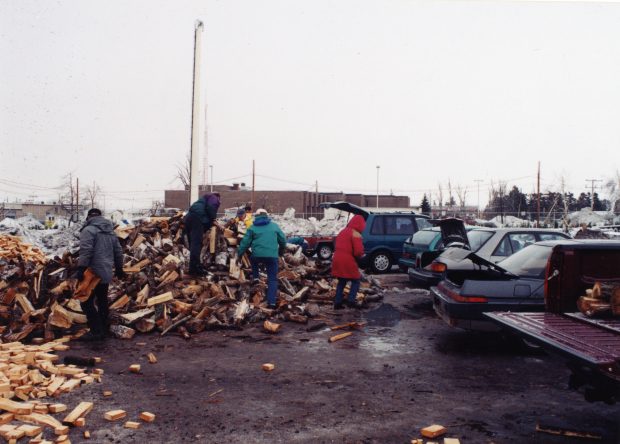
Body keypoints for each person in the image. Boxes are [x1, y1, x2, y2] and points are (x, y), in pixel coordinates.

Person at [75, 208, 125, 341]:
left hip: (92, 272)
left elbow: (86, 251)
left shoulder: (88, 230)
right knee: (102, 300)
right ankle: (103, 328)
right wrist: (119, 268)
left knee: (85, 300)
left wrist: (81, 268)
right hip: (106, 271)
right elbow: (118, 251)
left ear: (89, 217)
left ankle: (96, 331)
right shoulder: (110, 232)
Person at [236, 209, 287, 309]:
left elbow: (245, 243)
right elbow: (283, 240)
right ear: (266, 216)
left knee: (253, 260)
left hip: (257, 255)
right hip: (272, 257)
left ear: (256, 216)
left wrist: (239, 254)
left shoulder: (252, 227)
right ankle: (271, 302)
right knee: (272, 279)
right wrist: (280, 253)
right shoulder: (274, 226)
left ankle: (256, 278)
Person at [331, 214, 366, 309]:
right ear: (361, 224)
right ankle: (351, 301)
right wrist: (362, 254)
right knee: (356, 280)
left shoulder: (343, 231)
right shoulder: (355, 233)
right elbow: (358, 252)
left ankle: (337, 303)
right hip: (347, 260)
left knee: (342, 281)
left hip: (337, 259)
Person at [184, 192, 221, 275]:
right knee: (196, 244)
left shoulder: (202, 200)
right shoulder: (214, 197)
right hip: (197, 219)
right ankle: (195, 269)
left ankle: (194, 266)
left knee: (193, 244)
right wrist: (213, 219)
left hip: (188, 218)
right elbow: (211, 207)